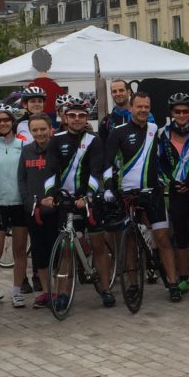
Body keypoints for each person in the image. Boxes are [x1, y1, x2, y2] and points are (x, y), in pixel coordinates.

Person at [101, 92, 178, 302]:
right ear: (131, 108)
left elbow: (164, 158)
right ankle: (134, 283)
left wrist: (166, 178)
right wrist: (108, 187)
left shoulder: (155, 130)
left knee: (162, 238)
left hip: (152, 193)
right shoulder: (118, 132)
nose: (143, 110)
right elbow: (107, 163)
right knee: (130, 242)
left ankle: (172, 283)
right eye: (139, 107)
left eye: (146, 107)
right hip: (127, 194)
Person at [44, 96, 114, 306]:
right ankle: (63, 294)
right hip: (65, 201)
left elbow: (96, 170)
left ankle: (105, 289)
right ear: (65, 117)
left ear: (86, 118)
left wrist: (89, 196)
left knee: (98, 246)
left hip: (87, 199)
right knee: (66, 250)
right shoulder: (56, 139)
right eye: (72, 115)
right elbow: (50, 169)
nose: (76, 119)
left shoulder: (94, 140)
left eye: (81, 116)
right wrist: (50, 194)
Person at [158, 93, 189, 301]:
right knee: (181, 235)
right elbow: (159, 162)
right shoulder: (163, 134)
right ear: (171, 113)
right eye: (177, 111)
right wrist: (170, 181)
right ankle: (184, 276)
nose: (182, 115)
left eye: (185, 111)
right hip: (176, 190)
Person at [0, 104, 31, 308]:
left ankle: (17, 291)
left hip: (19, 203)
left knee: (20, 250)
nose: (2, 123)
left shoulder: (24, 146)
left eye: (6, 120)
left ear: (13, 122)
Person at [19, 114, 59, 309]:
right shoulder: (26, 151)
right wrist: (28, 202)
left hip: (55, 210)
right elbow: (22, 179)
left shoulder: (58, 148)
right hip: (34, 211)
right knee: (39, 253)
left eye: (43, 129)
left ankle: (59, 291)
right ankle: (46, 292)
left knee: (57, 253)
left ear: (50, 128)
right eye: (35, 130)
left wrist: (56, 198)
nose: (39, 133)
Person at [98, 78, 133, 144]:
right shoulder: (107, 121)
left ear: (129, 92)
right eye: (114, 91)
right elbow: (102, 146)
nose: (118, 94)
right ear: (111, 94)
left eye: (121, 90)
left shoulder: (139, 116)